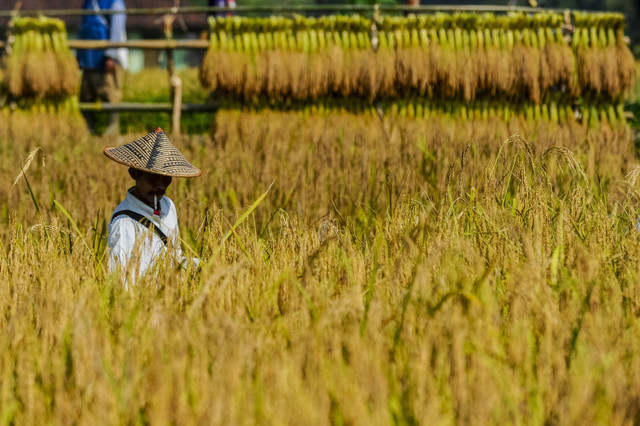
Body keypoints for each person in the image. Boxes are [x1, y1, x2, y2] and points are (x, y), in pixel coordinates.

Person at [104, 128, 202, 288]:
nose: (160, 185)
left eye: (165, 178)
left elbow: (175, 258)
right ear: (134, 174)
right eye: (152, 177)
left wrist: (202, 267)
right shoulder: (124, 223)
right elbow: (119, 281)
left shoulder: (168, 206)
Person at [77, 0, 128, 135]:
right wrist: (79, 55)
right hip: (88, 59)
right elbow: (83, 28)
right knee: (86, 97)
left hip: (105, 60)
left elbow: (117, 29)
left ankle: (113, 130)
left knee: (111, 96)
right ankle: (89, 131)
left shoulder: (114, 3)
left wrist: (112, 55)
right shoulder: (88, 2)